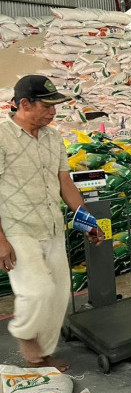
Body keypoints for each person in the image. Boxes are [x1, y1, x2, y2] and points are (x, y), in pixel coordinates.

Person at [0, 75, 104, 372]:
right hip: (18, 228)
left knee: (59, 293)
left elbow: (65, 183)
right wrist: (1, 241)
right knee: (38, 291)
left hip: (52, 226)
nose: (53, 112)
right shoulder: (2, 136)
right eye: (47, 106)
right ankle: (26, 338)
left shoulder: (53, 137)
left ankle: (42, 355)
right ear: (23, 104)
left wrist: (88, 223)